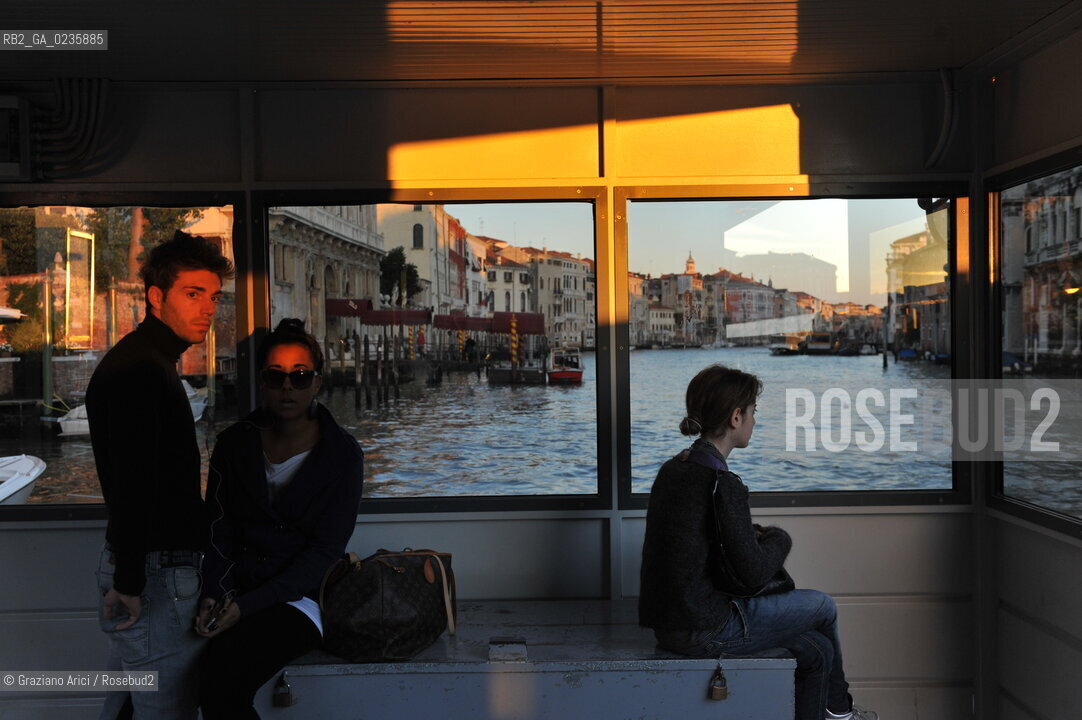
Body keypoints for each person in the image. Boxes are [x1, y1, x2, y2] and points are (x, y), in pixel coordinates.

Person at [638, 364, 878, 720]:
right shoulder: (722, 482)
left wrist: (748, 535)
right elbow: (751, 574)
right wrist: (779, 538)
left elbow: (701, 541)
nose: (754, 421)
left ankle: (836, 713)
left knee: (818, 650)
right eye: (753, 412)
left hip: (669, 626)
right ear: (736, 417)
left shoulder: (676, 468)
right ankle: (842, 711)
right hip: (706, 629)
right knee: (823, 606)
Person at [87, 230, 234, 720]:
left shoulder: (149, 362)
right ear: (156, 296)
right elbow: (133, 486)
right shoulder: (142, 371)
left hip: (149, 569)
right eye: (193, 295)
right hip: (152, 574)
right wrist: (129, 580)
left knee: (127, 707)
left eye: (213, 297)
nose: (208, 309)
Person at [196, 318, 364, 719]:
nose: (288, 387)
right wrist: (213, 594)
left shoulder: (342, 456)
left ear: (317, 384)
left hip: (299, 601)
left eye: (300, 376)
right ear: (263, 382)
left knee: (221, 675)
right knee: (166, 673)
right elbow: (218, 528)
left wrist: (246, 606)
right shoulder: (234, 444)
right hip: (231, 590)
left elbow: (322, 553)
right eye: (276, 376)